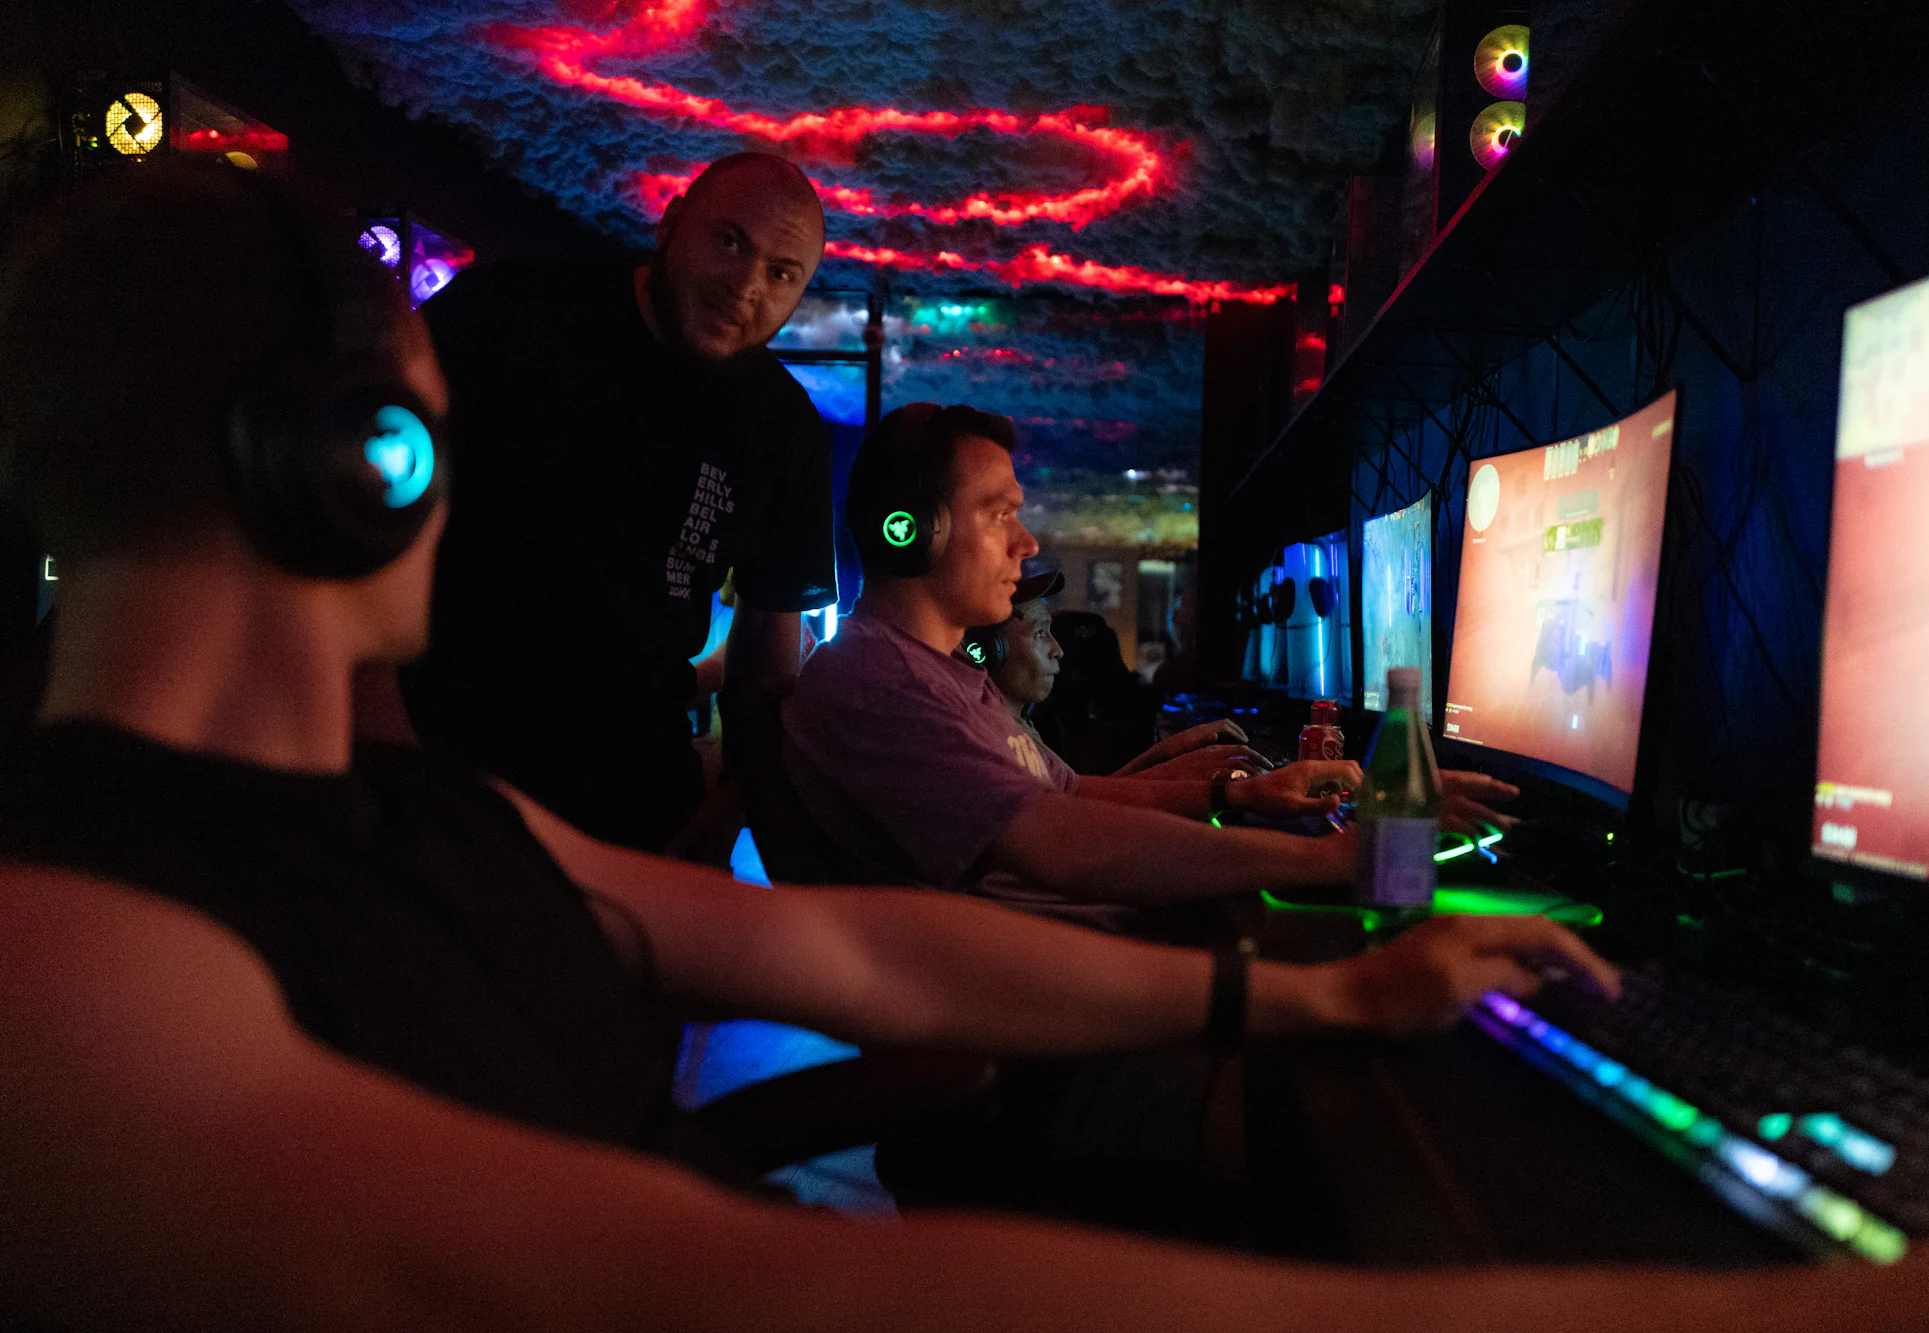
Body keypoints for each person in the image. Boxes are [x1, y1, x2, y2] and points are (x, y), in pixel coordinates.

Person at [0, 150, 1691, 1333]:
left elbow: (858, 949)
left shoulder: (412, 819)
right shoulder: (68, 964)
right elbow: (748, 1283)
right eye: (426, 451)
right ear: (353, 470)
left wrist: (1319, 996)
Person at [783, 403, 1522, 932]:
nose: (1027, 542)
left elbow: (1068, 794)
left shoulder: (946, 675)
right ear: (911, 531)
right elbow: (1059, 845)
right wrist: (1337, 859)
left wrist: (1241, 794)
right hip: (1039, 1028)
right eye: (999, 513)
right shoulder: (879, 684)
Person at [400, 152, 835, 852]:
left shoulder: (784, 430)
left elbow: (767, 661)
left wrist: (730, 807)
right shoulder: (510, 311)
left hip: (636, 795)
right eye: (729, 242)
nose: (746, 285)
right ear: (671, 225)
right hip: (438, 761)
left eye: (782, 273)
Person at [971, 578, 1273, 782]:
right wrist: (1220, 793)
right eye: (1040, 634)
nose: (1059, 650)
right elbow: (1076, 815)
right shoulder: (992, 744)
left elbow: (1081, 795)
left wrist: (1173, 749)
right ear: (988, 651)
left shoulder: (1020, 724)